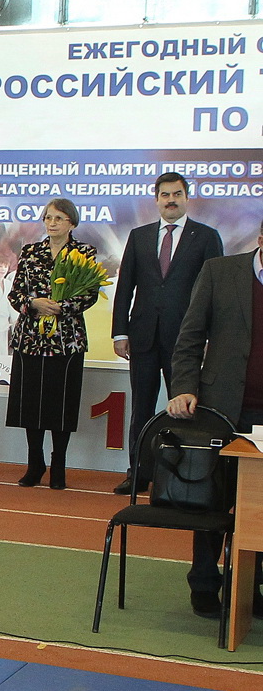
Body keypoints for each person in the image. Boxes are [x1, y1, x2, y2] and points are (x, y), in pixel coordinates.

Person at [164, 226, 263, 619]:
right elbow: (189, 337)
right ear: (261, 240)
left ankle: (253, 587)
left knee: (260, 508)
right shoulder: (219, 272)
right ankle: (204, 583)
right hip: (221, 410)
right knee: (211, 502)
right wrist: (184, 387)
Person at [111, 172, 224, 495]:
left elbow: (216, 292)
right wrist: (120, 333)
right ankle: (138, 473)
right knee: (141, 410)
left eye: (176, 194)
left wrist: (210, 338)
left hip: (186, 341)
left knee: (184, 410)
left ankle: (183, 477)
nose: (171, 200)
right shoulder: (139, 236)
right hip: (143, 337)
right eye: (165, 195)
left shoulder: (206, 237)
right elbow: (125, 286)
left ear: (186, 198)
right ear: (157, 199)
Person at [6, 199, 98, 490]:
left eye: (59, 218)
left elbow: (90, 294)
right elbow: (15, 294)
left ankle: (59, 464)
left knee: (61, 403)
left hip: (66, 340)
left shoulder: (84, 253)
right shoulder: (30, 252)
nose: (52, 223)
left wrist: (62, 307)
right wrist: (34, 304)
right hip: (30, 339)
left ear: (72, 222)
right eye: (48, 217)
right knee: (30, 404)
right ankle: (35, 463)